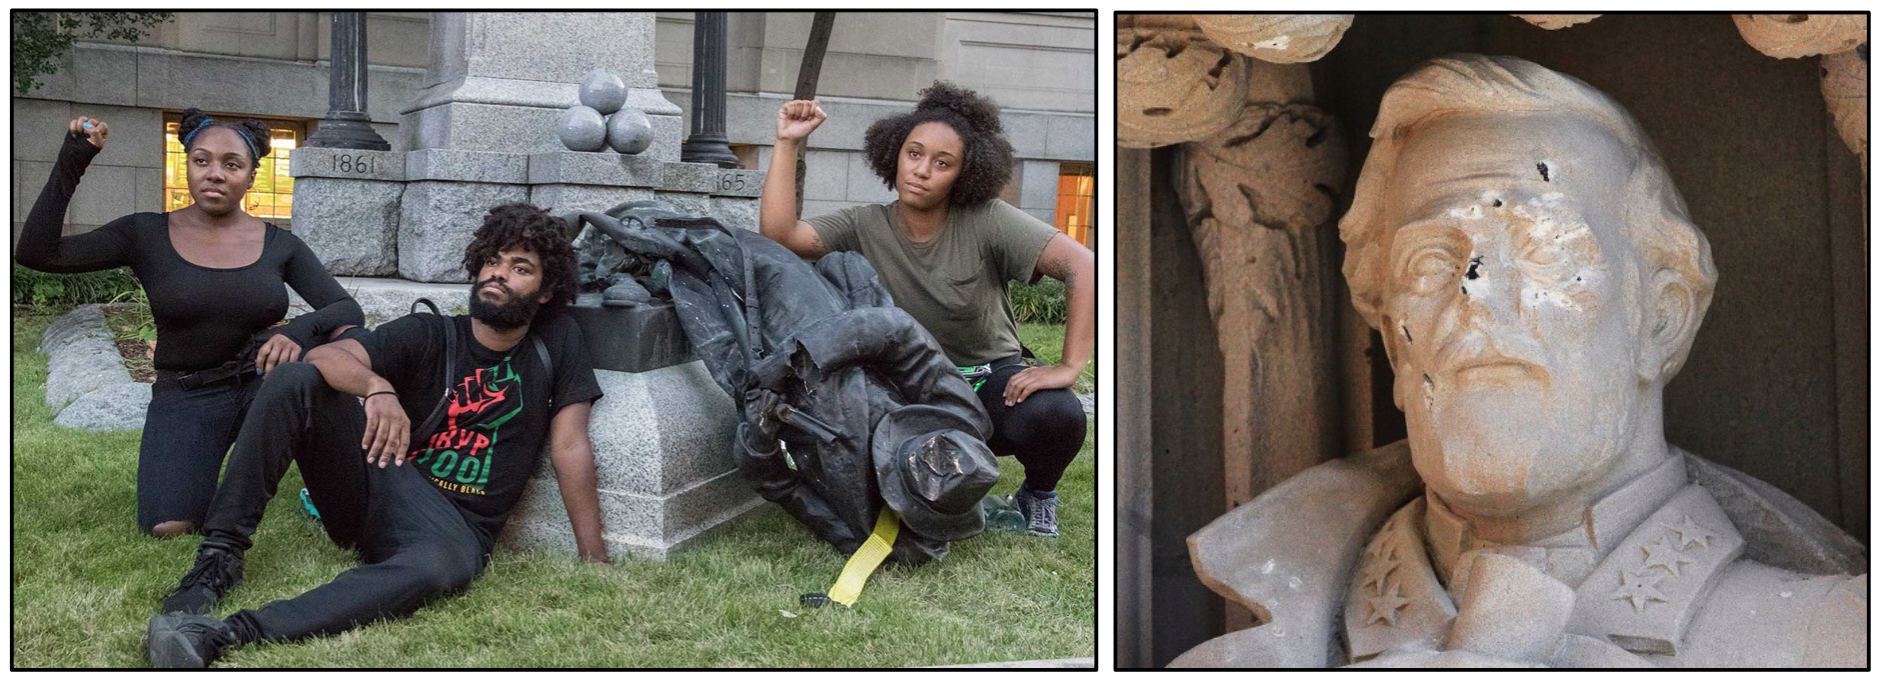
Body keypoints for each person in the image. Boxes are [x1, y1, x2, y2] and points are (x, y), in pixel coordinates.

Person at [1170, 55, 1865, 668]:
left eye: (1544, 251)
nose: (1476, 293)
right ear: (1391, 341)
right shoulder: (1254, 653)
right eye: (1431, 261)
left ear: (1661, 317)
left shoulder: (1839, 642)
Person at [144, 203, 607, 668]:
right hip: (380, 483)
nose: (498, 275)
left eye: (520, 268)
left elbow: (570, 446)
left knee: (440, 569)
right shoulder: (430, 333)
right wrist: (376, 386)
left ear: (546, 292)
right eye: (493, 261)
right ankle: (218, 561)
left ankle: (225, 634)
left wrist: (595, 561)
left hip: (455, 526)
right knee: (293, 380)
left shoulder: (556, 343)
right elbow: (325, 356)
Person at [757, 82, 1095, 537]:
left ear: (964, 173)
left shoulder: (988, 219)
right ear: (894, 154)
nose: (921, 171)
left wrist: (1069, 366)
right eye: (914, 154)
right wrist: (787, 142)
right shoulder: (864, 223)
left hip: (986, 387)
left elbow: (1083, 265)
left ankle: (1038, 495)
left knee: (1056, 414)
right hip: (907, 388)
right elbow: (781, 237)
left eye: (942, 163)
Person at [16, 109, 364, 538]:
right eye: (202, 161)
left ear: (251, 176)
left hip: (264, 384)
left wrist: (297, 330)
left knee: (317, 373)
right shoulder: (143, 233)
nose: (214, 173)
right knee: (169, 526)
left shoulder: (280, 245)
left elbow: (346, 310)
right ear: (188, 166)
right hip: (189, 392)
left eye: (231, 164)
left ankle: (329, 482)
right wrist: (75, 158)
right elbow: (37, 253)